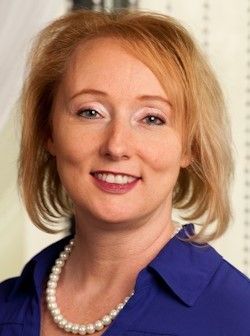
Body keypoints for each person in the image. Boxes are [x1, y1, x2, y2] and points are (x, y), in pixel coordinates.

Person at [0, 8, 249, 336]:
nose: (116, 146)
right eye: (90, 112)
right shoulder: (7, 306)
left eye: (151, 118)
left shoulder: (238, 316)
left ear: (189, 145)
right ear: (49, 132)